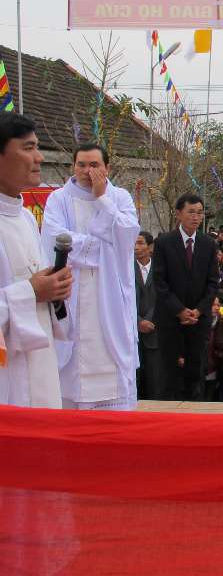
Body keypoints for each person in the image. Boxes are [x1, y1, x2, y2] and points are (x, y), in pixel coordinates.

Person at [41, 143, 141, 410]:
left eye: (94, 165)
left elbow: (128, 235)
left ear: (107, 168)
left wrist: (101, 199)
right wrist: (101, 244)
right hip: (73, 296)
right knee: (70, 372)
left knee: (113, 367)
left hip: (111, 296)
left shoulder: (119, 197)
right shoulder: (59, 199)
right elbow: (56, 238)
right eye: (82, 164)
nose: (88, 171)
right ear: (73, 166)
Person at [0, 112, 72, 407]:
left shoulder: (27, 219)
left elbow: (38, 286)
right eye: (28, 148)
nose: (39, 158)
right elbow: (31, 289)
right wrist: (31, 291)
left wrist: (54, 288)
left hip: (40, 367)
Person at [153, 193, 219, 401]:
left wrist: (199, 310)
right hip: (170, 318)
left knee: (196, 371)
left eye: (199, 213)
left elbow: (212, 283)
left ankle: (195, 414)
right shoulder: (164, 242)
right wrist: (180, 310)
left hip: (198, 319)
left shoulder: (208, 244)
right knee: (170, 373)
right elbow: (160, 282)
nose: (196, 217)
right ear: (179, 213)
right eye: (191, 212)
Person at [134, 231, 162, 400]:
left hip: (154, 331)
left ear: (150, 247)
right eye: (134, 243)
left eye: (140, 243)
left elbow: (163, 297)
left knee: (155, 380)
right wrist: (137, 321)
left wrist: (149, 320)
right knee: (134, 380)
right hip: (133, 332)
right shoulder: (124, 268)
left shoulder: (160, 269)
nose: (136, 247)